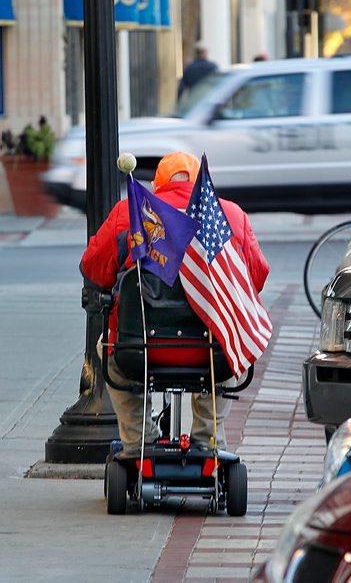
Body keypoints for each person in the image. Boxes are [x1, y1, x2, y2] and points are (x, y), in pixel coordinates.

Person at [80, 152, 270, 456]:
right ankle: (207, 438)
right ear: (200, 184)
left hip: (138, 349)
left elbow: (93, 268)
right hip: (212, 352)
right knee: (235, 340)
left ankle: (139, 441)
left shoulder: (129, 212)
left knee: (108, 347)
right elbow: (255, 278)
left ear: (158, 186)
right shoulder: (229, 215)